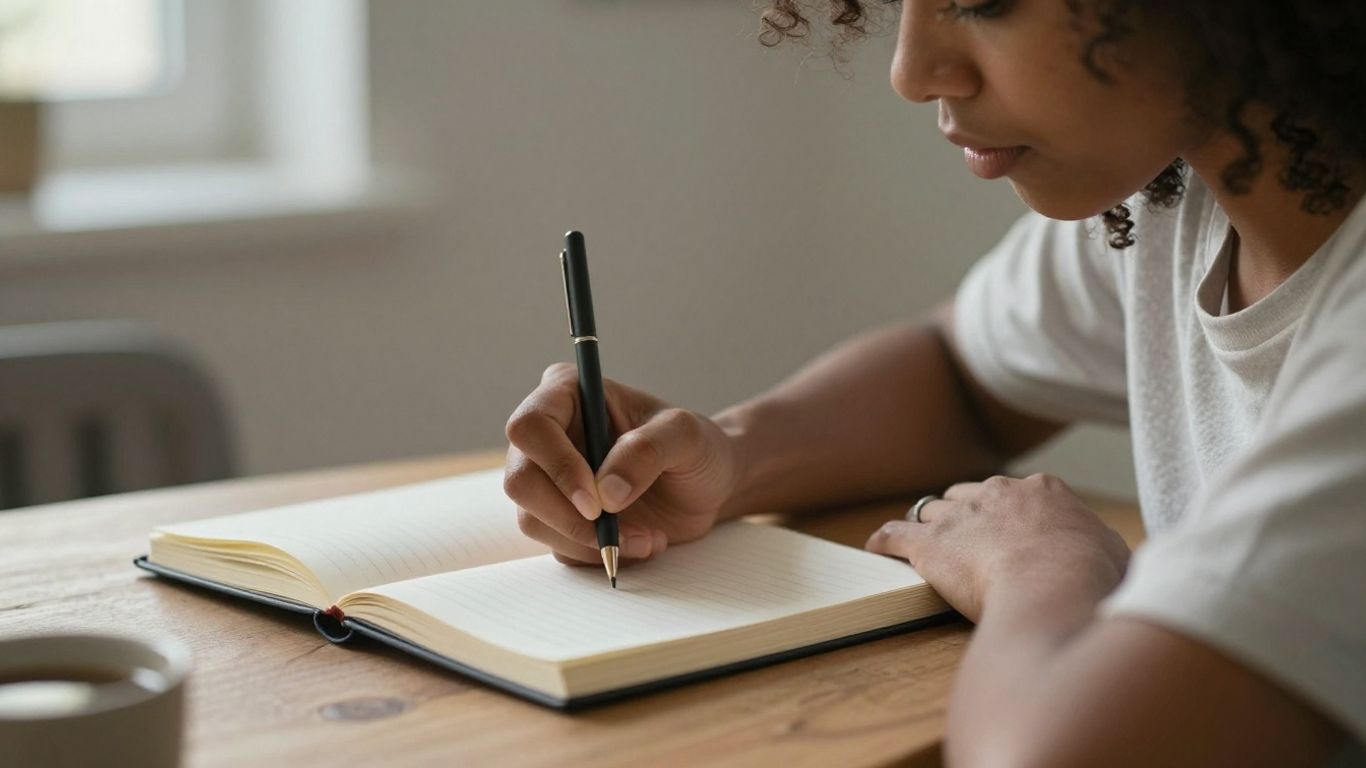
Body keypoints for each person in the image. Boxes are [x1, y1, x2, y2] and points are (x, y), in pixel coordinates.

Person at [504, 1, 1366, 764]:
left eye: (983, 0)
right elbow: (962, 372)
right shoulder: (1180, 202)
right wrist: (728, 454)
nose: (911, 72)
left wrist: (1044, 568)